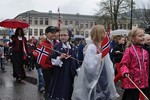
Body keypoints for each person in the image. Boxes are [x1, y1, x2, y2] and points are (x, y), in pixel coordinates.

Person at [72, 25, 119, 100]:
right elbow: (89, 65)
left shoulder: (102, 46)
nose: (106, 34)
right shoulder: (92, 47)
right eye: (104, 32)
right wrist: (100, 57)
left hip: (103, 77)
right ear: (99, 34)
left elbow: (108, 63)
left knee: (105, 95)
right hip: (95, 79)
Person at [48, 28, 79, 100]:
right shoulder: (56, 47)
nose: (63, 37)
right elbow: (53, 62)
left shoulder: (72, 47)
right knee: (59, 87)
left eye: (65, 35)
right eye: (61, 35)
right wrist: (60, 57)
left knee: (67, 88)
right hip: (59, 72)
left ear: (69, 36)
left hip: (68, 72)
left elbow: (76, 60)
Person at [120, 28, 150, 100]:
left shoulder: (145, 52)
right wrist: (125, 72)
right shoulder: (129, 51)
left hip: (144, 84)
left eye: (143, 36)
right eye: (140, 36)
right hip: (132, 84)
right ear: (133, 38)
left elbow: (147, 67)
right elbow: (123, 64)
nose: (142, 38)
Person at [34, 26, 57, 99]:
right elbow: (40, 57)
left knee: (55, 86)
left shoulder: (57, 43)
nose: (54, 34)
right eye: (52, 32)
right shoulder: (43, 44)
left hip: (56, 67)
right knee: (48, 86)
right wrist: (49, 56)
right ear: (46, 34)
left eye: (55, 32)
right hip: (47, 68)